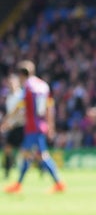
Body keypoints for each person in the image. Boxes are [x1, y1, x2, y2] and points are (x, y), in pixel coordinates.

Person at [2, 61, 65, 195]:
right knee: (36, 155)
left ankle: (57, 183)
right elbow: (49, 107)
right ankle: (20, 184)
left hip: (32, 126)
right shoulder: (43, 86)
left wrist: (6, 121)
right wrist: (50, 125)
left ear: (21, 75)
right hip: (41, 125)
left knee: (34, 155)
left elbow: (19, 107)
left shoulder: (28, 87)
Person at [2, 72, 25, 180]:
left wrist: (7, 124)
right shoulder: (9, 97)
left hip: (20, 126)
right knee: (8, 149)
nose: (10, 84)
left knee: (26, 151)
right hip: (13, 127)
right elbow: (10, 113)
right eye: (9, 83)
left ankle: (42, 168)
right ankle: (7, 171)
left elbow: (19, 112)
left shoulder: (21, 95)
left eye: (12, 82)